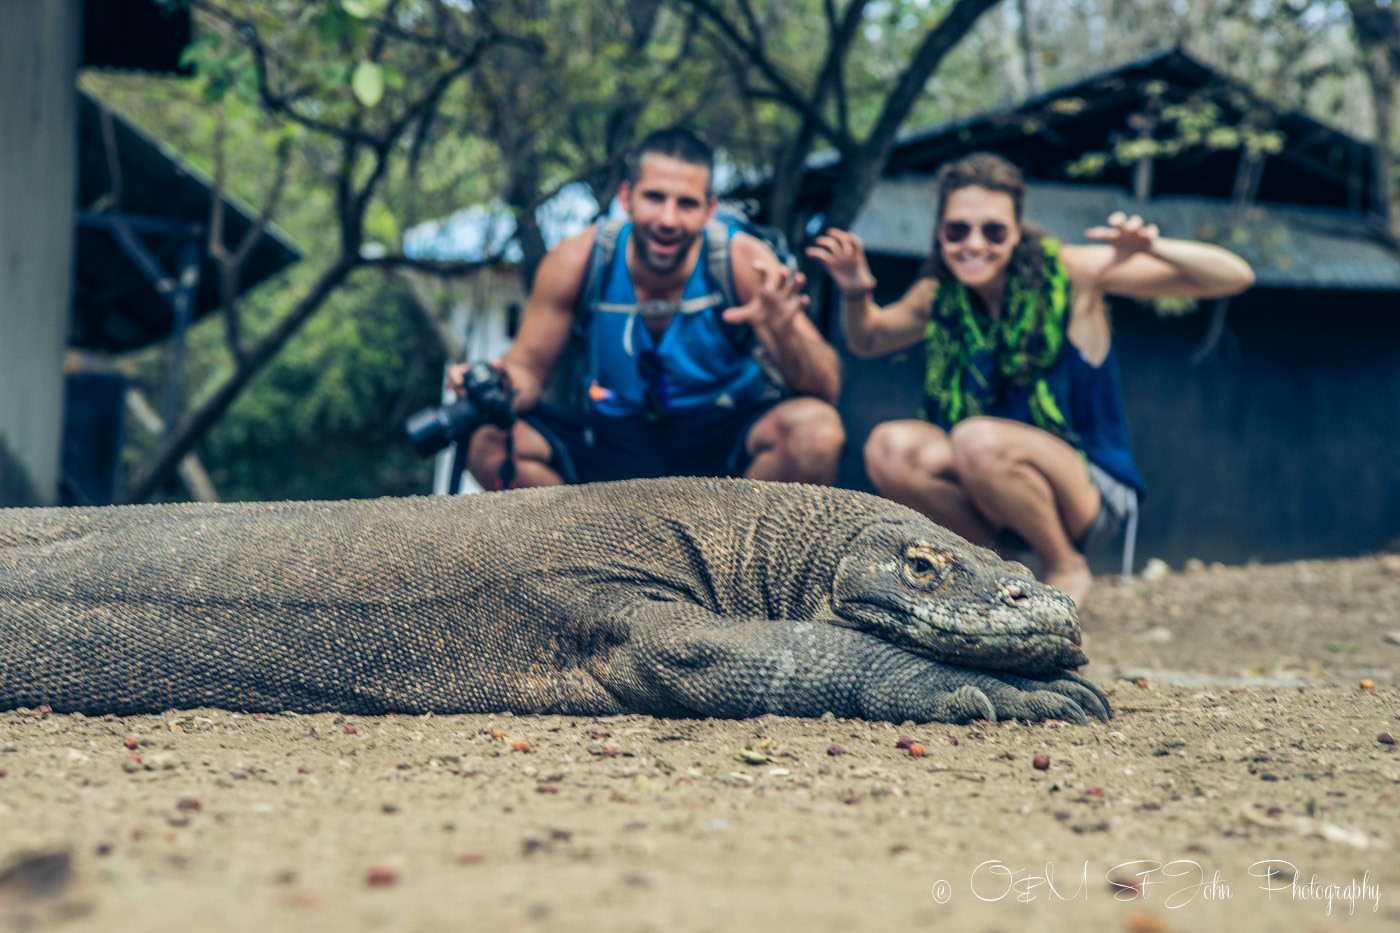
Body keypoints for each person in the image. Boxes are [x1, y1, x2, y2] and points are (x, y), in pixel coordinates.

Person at [806, 152, 1254, 606]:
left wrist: (1153, 247)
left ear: (1017, 231)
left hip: (1089, 489)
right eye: (957, 230)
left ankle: (1065, 566)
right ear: (940, 233)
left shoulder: (1068, 272)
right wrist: (855, 290)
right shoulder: (940, 296)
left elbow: (1234, 276)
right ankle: (995, 572)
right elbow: (869, 338)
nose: (974, 244)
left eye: (993, 231)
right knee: (890, 447)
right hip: (986, 480)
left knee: (975, 438)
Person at [448, 127, 844, 490]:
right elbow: (528, 371)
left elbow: (825, 388)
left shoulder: (745, 263)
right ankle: (580, 558)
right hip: (612, 437)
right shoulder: (577, 261)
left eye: (686, 204)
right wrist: (495, 386)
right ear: (627, 198)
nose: (668, 219)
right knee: (487, 440)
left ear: (709, 210)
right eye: (655, 198)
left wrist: (785, 329)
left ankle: (734, 562)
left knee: (816, 432)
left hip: (719, 444)